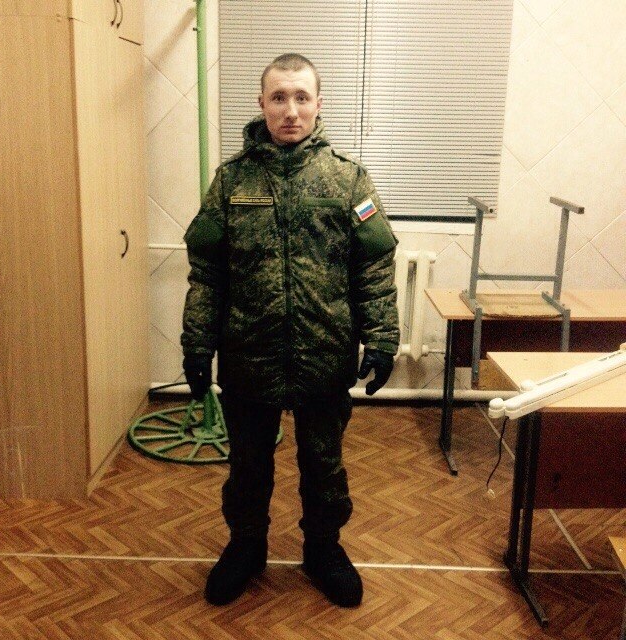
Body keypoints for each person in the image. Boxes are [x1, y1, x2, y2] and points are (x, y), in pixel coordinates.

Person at [182, 53, 399, 608]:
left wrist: (382, 338)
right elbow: (207, 272)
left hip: (323, 353)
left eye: (302, 97)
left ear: (319, 103)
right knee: (247, 465)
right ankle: (245, 546)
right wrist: (197, 344)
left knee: (323, 464)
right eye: (279, 97)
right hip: (248, 354)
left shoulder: (347, 179)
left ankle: (323, 548)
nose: (291, 110)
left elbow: (373, 267)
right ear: (262, 104)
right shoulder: (232, 181)